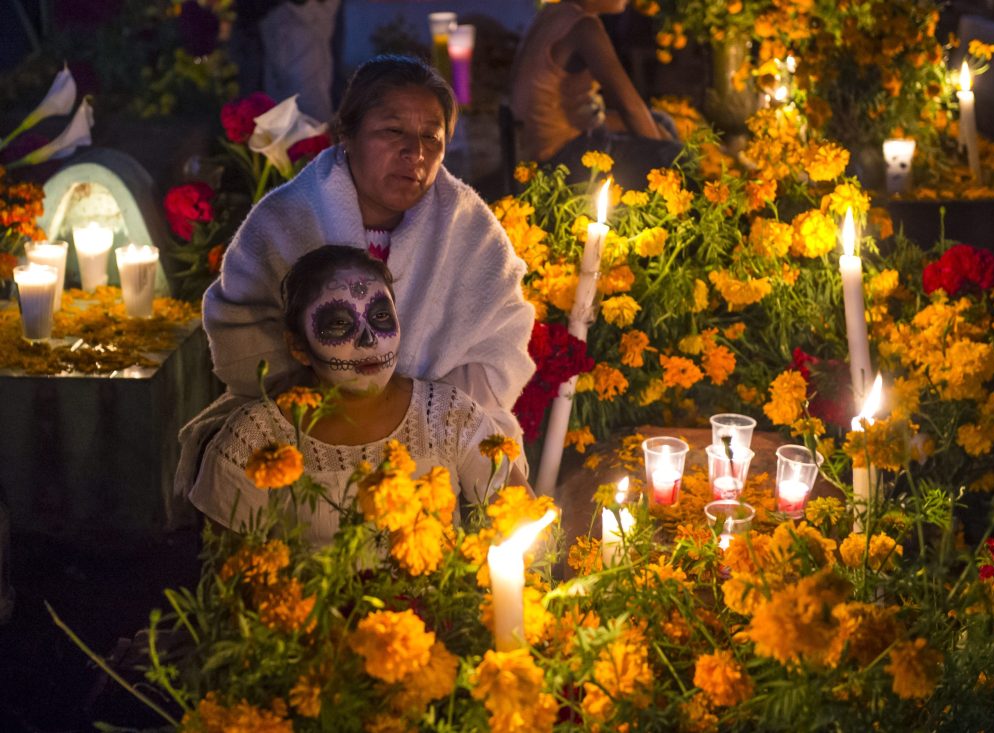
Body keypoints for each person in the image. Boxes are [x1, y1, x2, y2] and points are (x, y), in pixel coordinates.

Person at [176, 55, 535, 496]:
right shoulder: (286, 217)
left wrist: (413, 413)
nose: (415, 153)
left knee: (500, 491)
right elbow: (240, 333)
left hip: (438, 435)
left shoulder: (471, 230)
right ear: (347, 134)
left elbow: (500, 350)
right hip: (306, 425)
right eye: (392, 131)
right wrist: (342, 406)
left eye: (431, 137)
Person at [189, 246, 522, 544]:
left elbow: (523, 524)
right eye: (339, 324)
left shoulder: (449, 417)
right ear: (298, 347)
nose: (369, 341)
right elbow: (229, 585)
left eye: (380, 317)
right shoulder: (255, 441)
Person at [509, 0, 683, 189]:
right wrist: (666, 155)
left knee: (661, 122)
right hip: (558, 158)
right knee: (676, 158)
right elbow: (629, 106)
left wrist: (654, 132)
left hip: (547, 139)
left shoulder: (557, 11)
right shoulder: (584, 27)